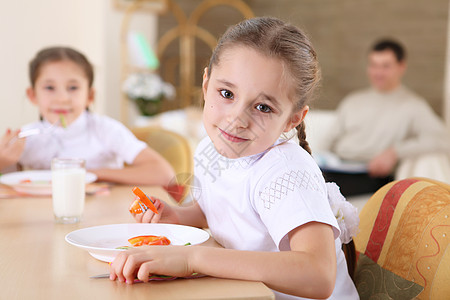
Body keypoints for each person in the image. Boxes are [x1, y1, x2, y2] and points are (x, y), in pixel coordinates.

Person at [109, 17, 359, 300]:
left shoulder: (285, 172)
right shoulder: (210, 148)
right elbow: (217, 210)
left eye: (263, 107)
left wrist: (194, 260)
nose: (237, 119)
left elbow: (318, 275)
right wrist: (178, 216)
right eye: (226, 93)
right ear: (206, 86)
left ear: (293, 119)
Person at [5, 46, 175, 186]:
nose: (62, 98)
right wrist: (3, 161)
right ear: (33, 95)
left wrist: (86, 175)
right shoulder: (26, 138)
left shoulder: (106, 130)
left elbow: (163, 174)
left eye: (73, 88)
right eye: (49, 88)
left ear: (89, 96)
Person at [321, 39, 450, 196]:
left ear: (401, 67)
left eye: (385, 66)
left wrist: (395, 152)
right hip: (337, 166)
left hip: (370, 174)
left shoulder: (413, 105)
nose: (378, 72)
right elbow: (327, 142)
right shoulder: (353, 101)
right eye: (373, 65)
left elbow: (442, 139)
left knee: (321, 189)